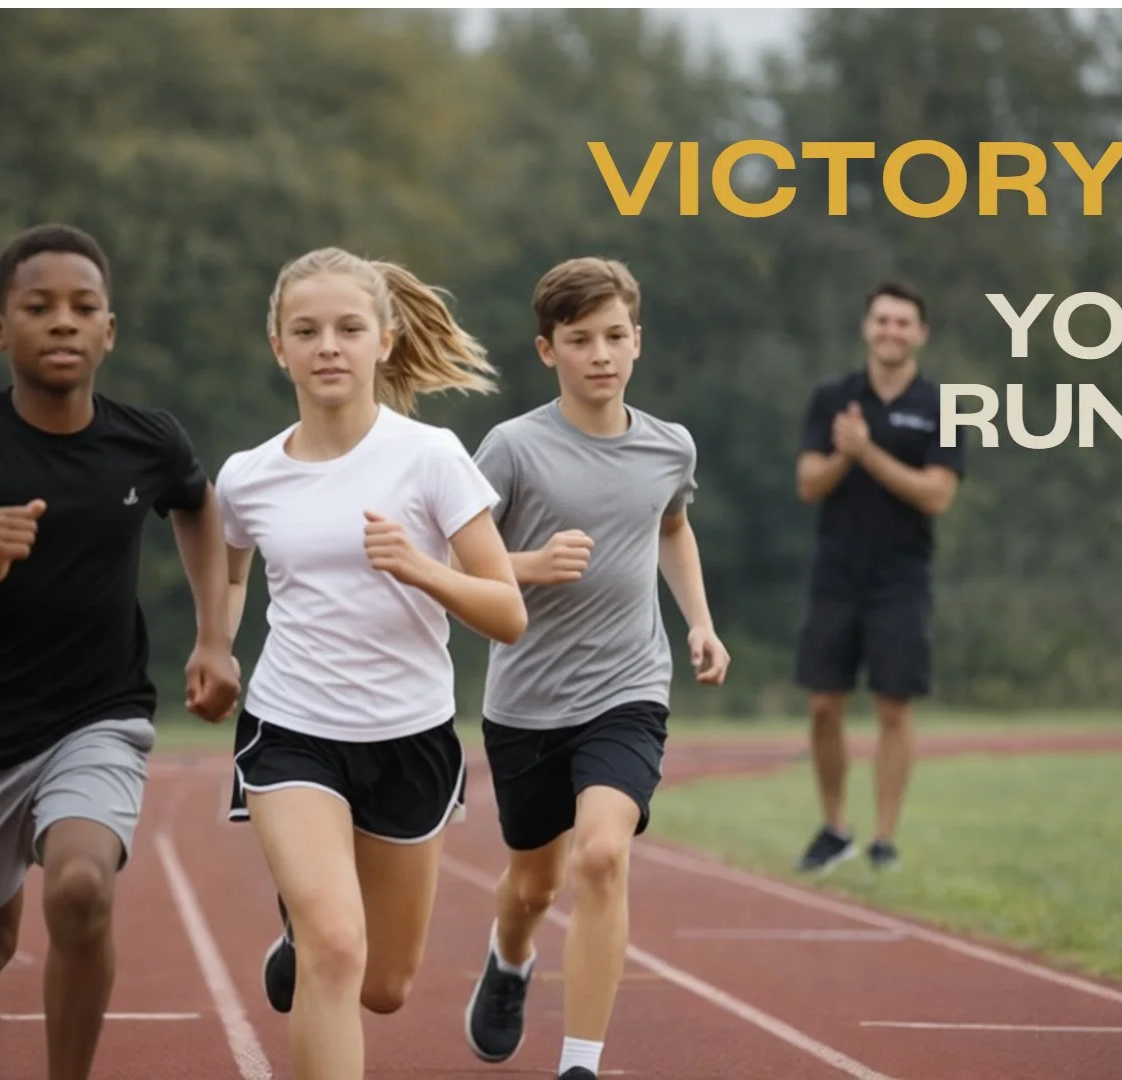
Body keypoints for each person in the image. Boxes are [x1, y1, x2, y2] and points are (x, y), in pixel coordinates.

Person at [0, 223, 242, 1080]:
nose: (62, 322)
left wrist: (215, 638)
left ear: (110, 331)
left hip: (97, 716)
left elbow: (197, 504)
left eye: (82, 308)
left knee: (79, 888)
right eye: (39, 307)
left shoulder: (147, 441)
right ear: (0, 330)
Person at [214, 246, 528, 1080]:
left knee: (385, 984)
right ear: (278, 346)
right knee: (338, 945)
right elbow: (234, 564)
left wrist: (420, 567)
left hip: (409, 737)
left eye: (349, 328)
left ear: (384, 341)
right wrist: (215, 644)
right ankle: (312, 931)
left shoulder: (430, 458)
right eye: (306, 330)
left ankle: (302, 936)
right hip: (291, 731)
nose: (328, 346)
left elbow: (508, 611)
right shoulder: (247, 476)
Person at [460, 256, 730, 1080]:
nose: (601, 354)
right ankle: (509, 962)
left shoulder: (668, 447)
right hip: (526, 701)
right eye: (581, 340)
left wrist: (701, 624)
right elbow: (451, 557)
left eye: (615, 337)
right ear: (549, 351)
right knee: (533, 887)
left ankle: (579, 1063)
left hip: (629, 688)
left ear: (638, 342)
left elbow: (672, 527)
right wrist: (529, 565)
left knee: (604, 855)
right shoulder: (511, 448)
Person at [790, 279, 965, 875]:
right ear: (868, 327)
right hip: (836, 572)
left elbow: (937, 494)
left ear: (921, 333)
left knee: (895, 707)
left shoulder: (941, 406)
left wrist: (867, 453)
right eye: (882, 320)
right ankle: (835, 828)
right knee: (822, 704)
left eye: (903, 322)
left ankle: (884, 838)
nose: (891, 331)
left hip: (902, 577)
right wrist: (845, 453)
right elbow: (809, 484)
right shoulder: (833, 398)